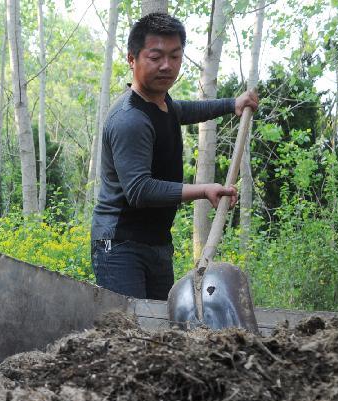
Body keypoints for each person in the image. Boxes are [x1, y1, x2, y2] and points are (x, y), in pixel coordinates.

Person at [91, 12, 259, 300]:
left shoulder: (161, 103)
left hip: (156, 243)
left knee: (159, 331)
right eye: (155, 57)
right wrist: (204, 190)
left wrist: (233, 104)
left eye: (175, 56)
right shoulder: (129, 119)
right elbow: (140, 190)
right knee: (130, 329)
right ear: (132, 59)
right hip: (120, 246)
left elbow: (187, 110)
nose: (166, 66)